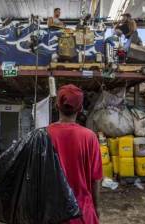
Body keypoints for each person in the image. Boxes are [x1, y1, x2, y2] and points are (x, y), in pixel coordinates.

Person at [47, 84, 103, 224]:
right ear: (81, 109)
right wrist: (96, 208)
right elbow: (96, 179)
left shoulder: (44, 135)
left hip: (52, 213)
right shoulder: (90, 137)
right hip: (82, 213)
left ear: (56, 106)